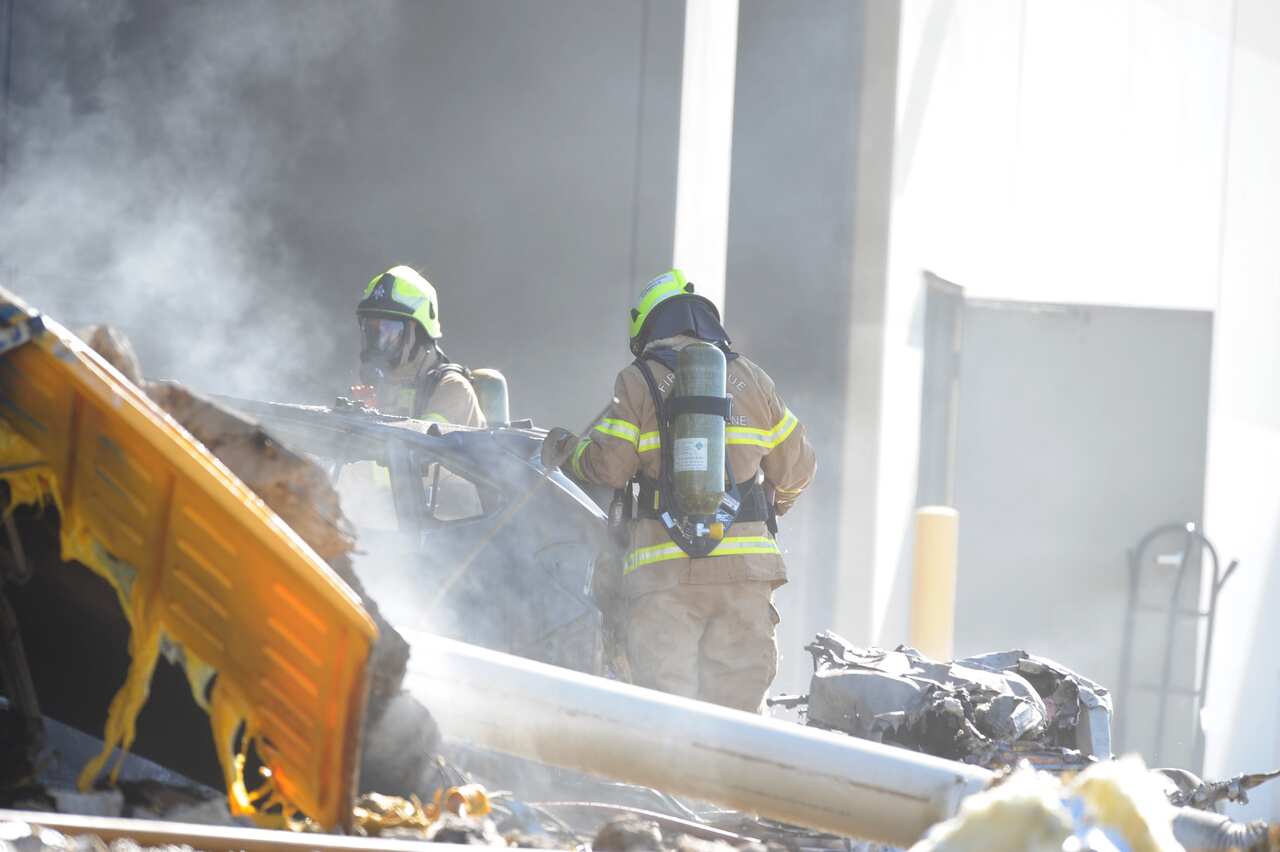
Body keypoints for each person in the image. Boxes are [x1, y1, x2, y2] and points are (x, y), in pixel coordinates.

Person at [545, 269, 816, 713]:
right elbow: (799, 467)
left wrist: (568, 453)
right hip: (745, 581)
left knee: (669, 727)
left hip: (664, 578)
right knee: (740, 727)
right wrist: (774, 506)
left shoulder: (637, 380)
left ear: (649, 328)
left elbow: (609, 467)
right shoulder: (752, 380)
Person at [355, 265, 485, 427]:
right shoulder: (384, 386)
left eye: (388, 330)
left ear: (419, 334)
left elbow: (423, 445)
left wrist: (366, 425)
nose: (378, 343)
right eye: (372, 331)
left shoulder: (452, 389)